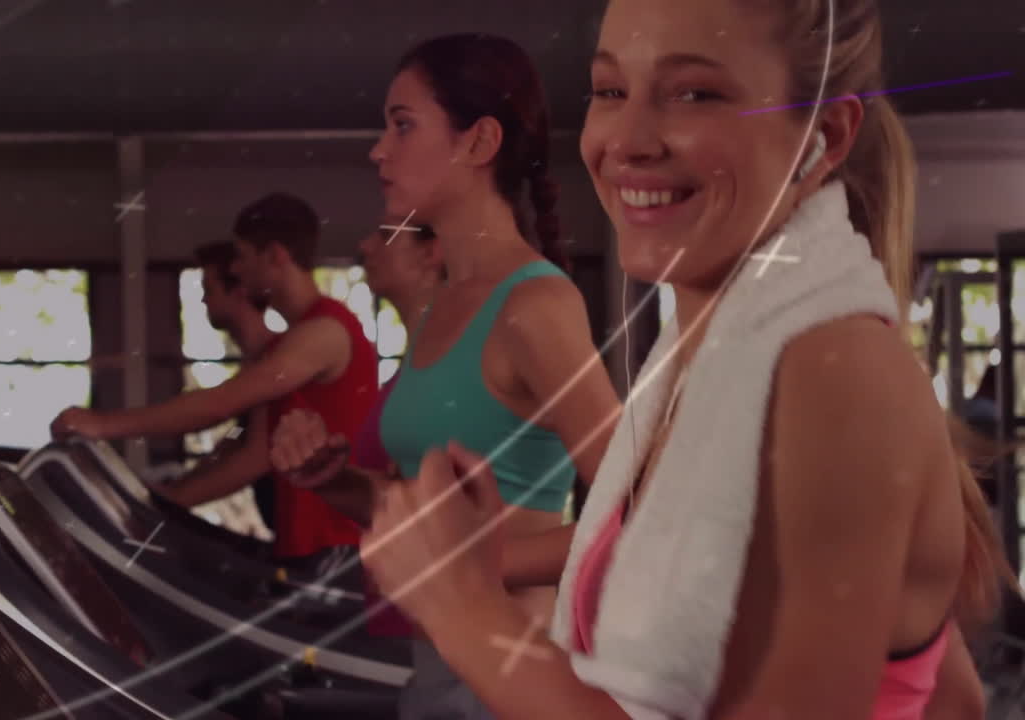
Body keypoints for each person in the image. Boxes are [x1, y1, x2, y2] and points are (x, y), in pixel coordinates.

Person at [360, 2, 1012, 719]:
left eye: (695, 93)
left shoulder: (837, 369)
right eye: (610, 91)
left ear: (822, 137)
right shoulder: (706, 366)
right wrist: (477, 568)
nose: (628, 140)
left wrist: (464, 608)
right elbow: (952, 698)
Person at [321, 33, 622, 719]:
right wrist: (331, 481)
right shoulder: (440, 309)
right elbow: (428, 519)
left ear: (480, 142)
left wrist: (469, 572)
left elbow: (642, 521)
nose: (379, 150)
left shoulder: (533, 308)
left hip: (515, 669)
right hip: (439, 669)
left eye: (403, 126)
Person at [52, 192, 379, 559]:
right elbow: (253, 444)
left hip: (338, 548)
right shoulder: (294, 338)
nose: (236, 269)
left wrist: (103, 425)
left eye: (242, 256)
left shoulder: (325, 332)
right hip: (307, 546)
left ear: (275, 256)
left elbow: (222, 405)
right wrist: (174, 494)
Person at [271, 216, 444, 637]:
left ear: (431, 252)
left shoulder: (454, 371)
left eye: (384, 235)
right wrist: (330, 479)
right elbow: (404, 506)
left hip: (448, 644)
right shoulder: (411, 373)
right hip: (403, 632)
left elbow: (457, 530)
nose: (365, 246)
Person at [148, 240, 280, 532]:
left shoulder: (273, 358)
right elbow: (238, 435)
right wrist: (178, 486)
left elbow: (256, 456)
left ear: (239, 291)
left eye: (209, 290)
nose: (204, 301)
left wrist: (175, 498)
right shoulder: (252, 361)